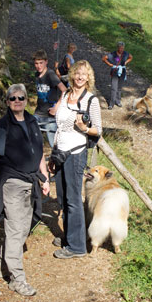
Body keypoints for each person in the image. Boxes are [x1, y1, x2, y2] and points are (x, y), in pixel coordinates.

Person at [0, 84, 51, 296]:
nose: (17, 101)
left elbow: (39, 153)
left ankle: (2, 265)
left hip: (31, 182)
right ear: (8, 102)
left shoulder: (32, 121)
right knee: (15, 228)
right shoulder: (3, 126)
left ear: (26, 100)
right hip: (11, 183)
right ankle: (17, 279)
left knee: (23, 228)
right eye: (12, 98)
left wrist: (45, 178)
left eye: (21, 97)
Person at [52, 60, 102, 258]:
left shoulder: (91, 100)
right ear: (72, 75)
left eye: (84, 74)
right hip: (61, 151)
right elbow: (59, 125)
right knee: (63, 196)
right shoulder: (65, 95)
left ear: (89, 78)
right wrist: (54, 151)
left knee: (73, 199)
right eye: (77, 73)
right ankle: (68, 236)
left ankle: (77, 246)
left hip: (76, 152)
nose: (80, 77)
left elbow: (98, 129)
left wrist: (84, 129)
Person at [33, 50, 67, 147]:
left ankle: (59, 161)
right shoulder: (37, 75)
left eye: (41, 63)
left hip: (49, 116)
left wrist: (56, 107)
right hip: (38, 113)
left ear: (46, 62)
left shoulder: (50, 74)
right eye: (36, 63)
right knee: (31, 141)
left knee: (54, 145)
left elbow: (64, 90)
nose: (38, 66)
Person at [102, 41, 132, 109]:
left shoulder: (125, 53)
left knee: (119, 88)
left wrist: (126, 62)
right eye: (120, 48)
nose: (121, 49)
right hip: (115, 71)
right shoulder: (113, 54)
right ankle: (111, 103)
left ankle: (118, 101)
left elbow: (131, 57)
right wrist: (110, 64)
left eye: (122, 48)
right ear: (117, 48)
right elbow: (104, 58)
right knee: (113, 88)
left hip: (122, 71)